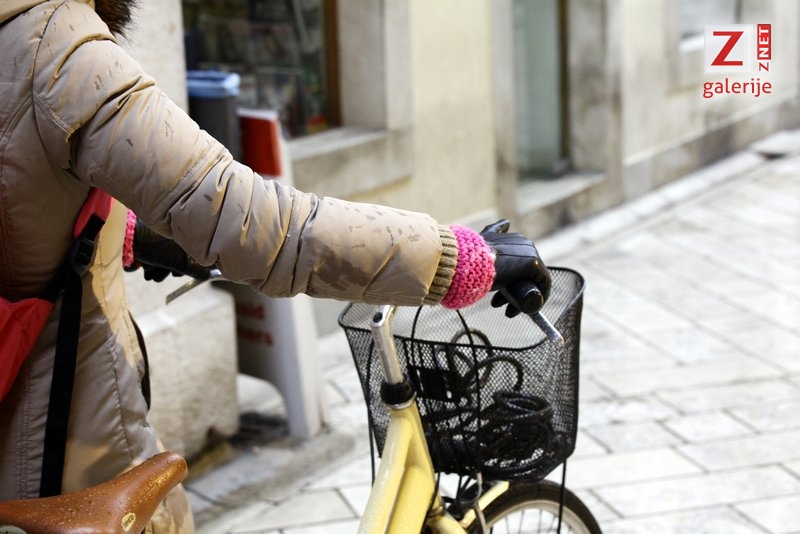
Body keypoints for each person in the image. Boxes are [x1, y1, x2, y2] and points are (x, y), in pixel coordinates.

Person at [0, 1, 552, 532]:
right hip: (61, 445)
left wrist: (121, 236)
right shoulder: (57, 48)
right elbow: (257, 225)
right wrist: (458, 259)